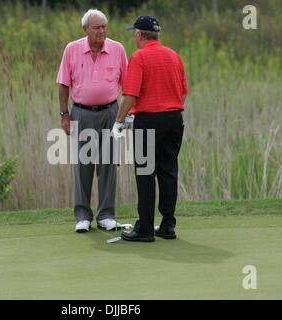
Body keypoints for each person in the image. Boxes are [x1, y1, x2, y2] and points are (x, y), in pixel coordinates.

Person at [113, 16, 188, 242]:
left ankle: (145, 228)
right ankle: (167, 225)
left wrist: (119, 121)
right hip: (174, 119)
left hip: (149, 121)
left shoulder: (139, 57)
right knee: (168, 172)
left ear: (139, 35)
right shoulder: (174, 55)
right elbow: (183, 91)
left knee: (145, 174)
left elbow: (131, 94)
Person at [57, 9, 128, 233]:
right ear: (85, 29)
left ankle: (106, 215)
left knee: (108, 164)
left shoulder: (117, 49)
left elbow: (128, 86)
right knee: (82, 165)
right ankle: (83, 216)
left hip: (110, 112)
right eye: (97, 27)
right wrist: (64, 115)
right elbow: (63, 84)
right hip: (81, 113)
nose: (102, 31)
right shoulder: (72, 49)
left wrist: (124, 116)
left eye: (104, 27)